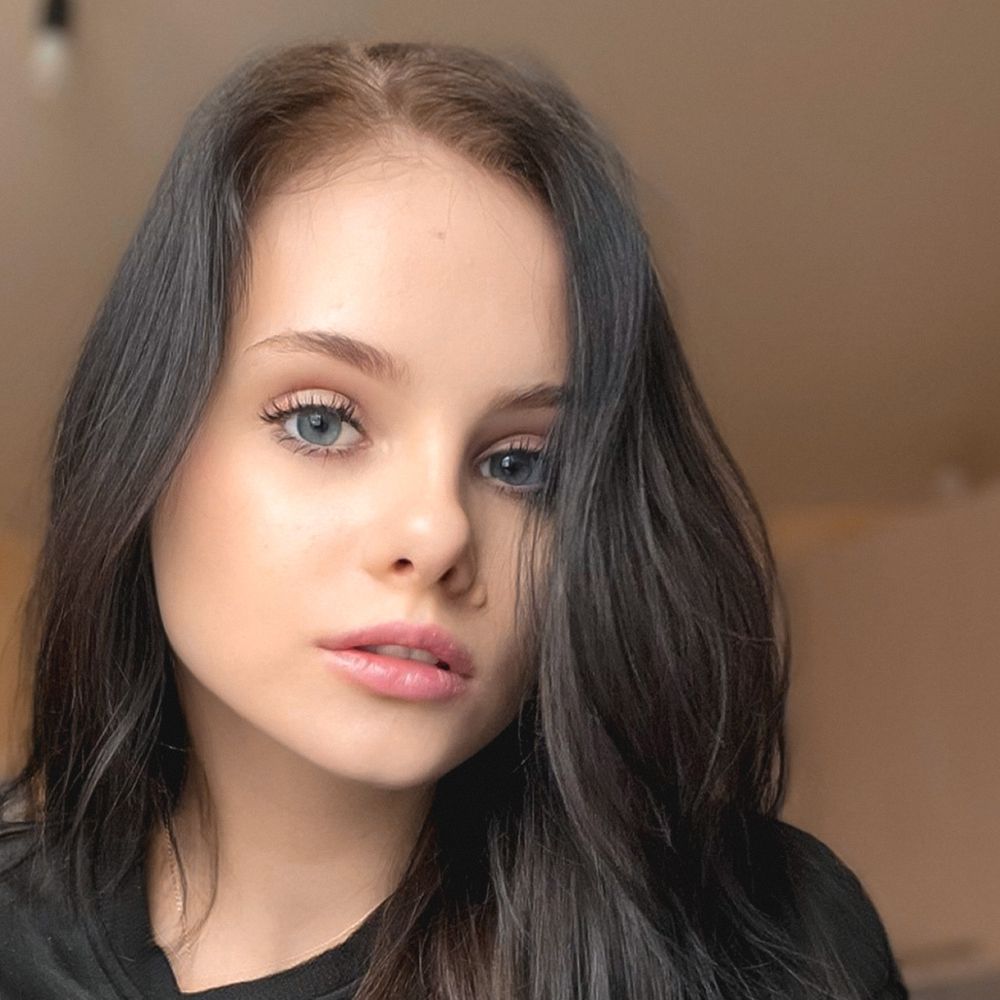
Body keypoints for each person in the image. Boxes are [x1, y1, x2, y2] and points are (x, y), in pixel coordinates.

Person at [0, 38, 908, 1000]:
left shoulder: (768, 944)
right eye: (322, 421)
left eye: (521, 465)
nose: (438, 535)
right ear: (143, 439)